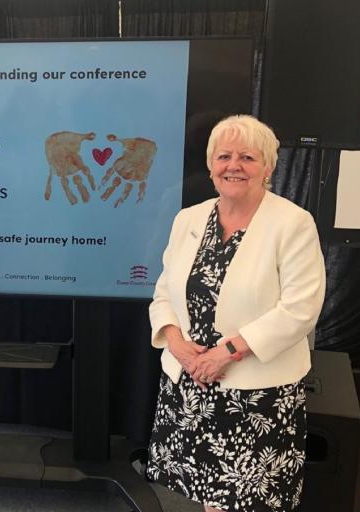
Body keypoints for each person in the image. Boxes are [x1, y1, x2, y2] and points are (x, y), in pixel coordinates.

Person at [145, 115, 326, 512]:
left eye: (247, 157)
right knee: (197, 497)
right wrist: (175, 342)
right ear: (210, 166)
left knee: (244, 504)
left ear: (269, 167)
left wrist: (225, 352)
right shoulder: (187, 219)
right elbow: (163, 294)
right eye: (224, 156)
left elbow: (300, 309)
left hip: (256, 394)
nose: (234, 165)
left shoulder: (293, 224)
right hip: (189, 384)